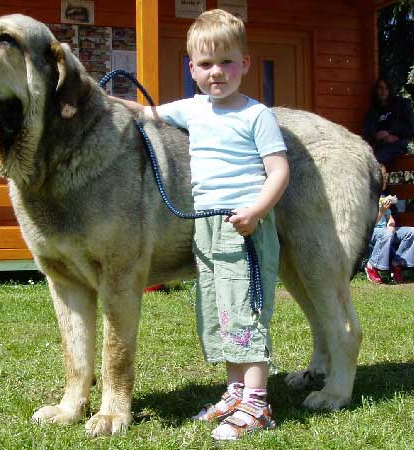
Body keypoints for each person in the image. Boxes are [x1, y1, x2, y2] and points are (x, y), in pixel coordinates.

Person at [110, 9, 289, 441]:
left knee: (245, 309)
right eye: (206, 64)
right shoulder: (193, 110)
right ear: (192, 69)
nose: (217, 73)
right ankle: (234, 393)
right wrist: (102, 99)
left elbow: (279, 170)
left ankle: (258, 403)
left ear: (245, 64)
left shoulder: (256, 115)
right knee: (219, 310)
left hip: (243, 225)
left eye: (227, 62)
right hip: (206, 227)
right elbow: (145, 111)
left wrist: (256, 211)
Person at [365, 165, 414, 284]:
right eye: (382, 177)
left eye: (385, 177)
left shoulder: (383, 197)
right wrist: (382, 211)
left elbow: (390, 219)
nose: (385, 180)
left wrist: (391, 225)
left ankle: (397, 263)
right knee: (386, 234)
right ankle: (372, 265)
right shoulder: (367, 198)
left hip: (385, 232)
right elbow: (369, 225)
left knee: (411, 232)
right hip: (371, 232)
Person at [362, 78, 414, 167]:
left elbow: (411, 127)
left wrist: (391, 133)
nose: (383, 91)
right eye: (381, 88)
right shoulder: (373, 111)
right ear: (376, 90)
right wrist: (376, 136)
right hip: (378, 147)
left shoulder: (401, 105)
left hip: (397, 145)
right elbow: (367, 131)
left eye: (386, 88)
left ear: (390, 90)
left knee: (376, 162)